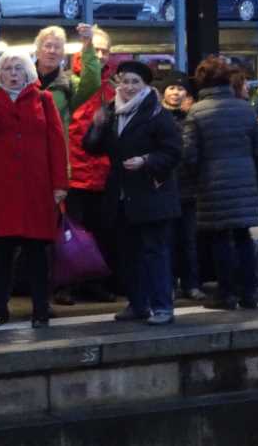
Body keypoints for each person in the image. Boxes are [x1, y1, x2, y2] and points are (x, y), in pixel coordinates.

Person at [0, 52, 69, 328]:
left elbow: (57, 143)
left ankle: (41, 309)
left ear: (27, 73)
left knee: (37, 254)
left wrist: (60, 184)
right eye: (7, 69)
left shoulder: (43, 100)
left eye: (18, 69)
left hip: (37, 187)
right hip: (1, 190)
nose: (12, 73)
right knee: (0, 254)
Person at [84, 61, 182, 325]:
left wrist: (146, 161)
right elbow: (92, 148)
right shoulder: (111, 112)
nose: (128, 87)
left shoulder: (156, 114)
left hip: (151, 193)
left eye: (135, 82)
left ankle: (162, 306)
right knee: (128, 254)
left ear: (145, 86)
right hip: (121, 195)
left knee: (154, 252)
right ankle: (138, 304)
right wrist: (97, 126)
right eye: (125, 81)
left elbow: (173, 151)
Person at [184, 57, 258, 311]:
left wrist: (196, 176)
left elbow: (189, 153)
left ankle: (226, 293)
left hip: (212, 181)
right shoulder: (245, 108)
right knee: (243, 236)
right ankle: (250, 292)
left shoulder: (197, 111)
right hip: (244, 180)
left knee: (220, 238)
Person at [63, 26, 118, 304]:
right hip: (74, 172)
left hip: (103, 173)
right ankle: (67, 286)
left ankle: (95, 283)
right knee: (71, 233)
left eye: (104, 51)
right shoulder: (70, 82)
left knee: (100, 232)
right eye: (94, 49)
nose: (100, 55)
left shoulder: (114, 87)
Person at [153, 70, 206, 301]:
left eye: (181, 88)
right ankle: (169, 284)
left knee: (189, 240)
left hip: (188, 187)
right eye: (172, 88)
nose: (176, 92)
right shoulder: (156, 115)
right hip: (164, 186)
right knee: (166, 240)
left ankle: (191, 283)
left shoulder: (193, 117)